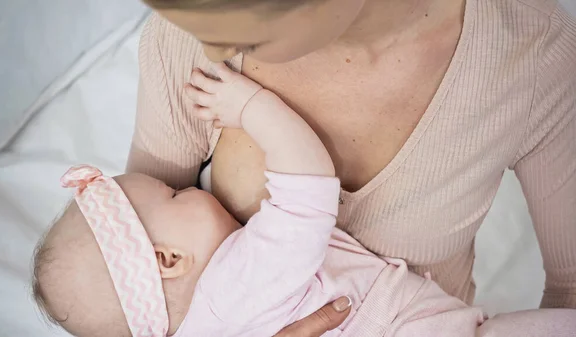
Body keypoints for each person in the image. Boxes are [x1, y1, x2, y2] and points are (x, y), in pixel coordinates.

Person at [127, 0, 576, 335]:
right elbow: (134, 293)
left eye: (232, 13)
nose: (213, 48)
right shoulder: (184, 43)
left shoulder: (533, 52)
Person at [32, 64, 496, 337]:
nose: (192, 185)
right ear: (168, 258)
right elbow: (307, 187)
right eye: (175, 194)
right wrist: (250, 107)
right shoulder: (237, 279)